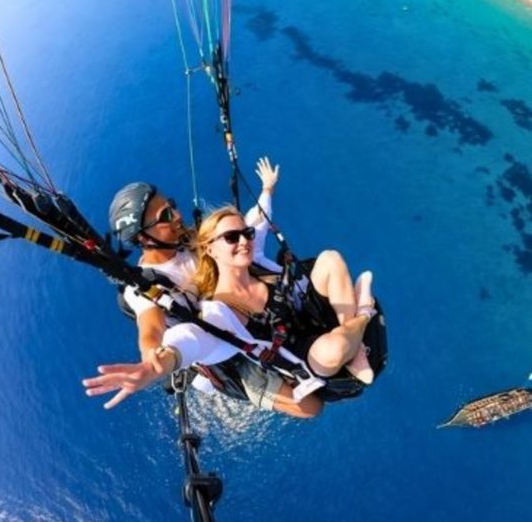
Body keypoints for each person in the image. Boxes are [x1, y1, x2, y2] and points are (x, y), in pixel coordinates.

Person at [84, 158, 323, 417]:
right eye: (165, 216)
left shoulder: (188, 240)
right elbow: (150, 324)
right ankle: (203, 376)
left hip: (244, 312)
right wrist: (150, 358)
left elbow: (244, 229)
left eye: (171, 206)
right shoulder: (143, 285)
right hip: (221, 346)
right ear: (143, 238)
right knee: (311, 407)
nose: (177, 216)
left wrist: (266, 191)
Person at [193, 205, 376, 384]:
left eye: (247, 233)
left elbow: (261, 219)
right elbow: (199, 345)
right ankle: (364, 313)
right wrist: (177, 357)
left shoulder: (258, 267)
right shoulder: (220, 312)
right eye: (231, 237)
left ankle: (355, 348)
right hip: (306, 357)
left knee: (331, 258)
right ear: (210, 249)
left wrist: (267, 190)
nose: (243, 241)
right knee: (334, 349)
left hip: (307, 317)